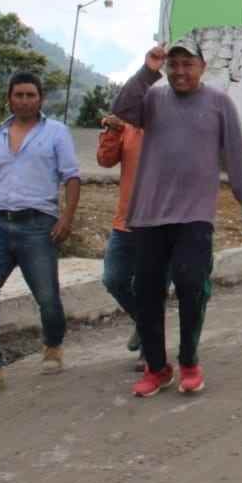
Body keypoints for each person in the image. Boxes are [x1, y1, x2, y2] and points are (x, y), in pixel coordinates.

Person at [111, 39, 242, 398]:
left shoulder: (218, 104)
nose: (179, 71)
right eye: (173, 64)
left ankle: (189, 361)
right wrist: (148, 70)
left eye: (188, 64)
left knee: (191, 283)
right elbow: (121, 108)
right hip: (149, 214)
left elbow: (237, 156)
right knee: (146, 292)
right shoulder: (152, 99)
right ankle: (156, 367)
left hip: (195, 214)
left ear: (202, 67)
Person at [0, 72, 80, 397]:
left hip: (38, 225)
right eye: (19, 95)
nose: (24, 100)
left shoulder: (56, 132)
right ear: (9, 98)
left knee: (48, 300)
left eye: (30, 95)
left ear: (40, 99)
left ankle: (52, 345)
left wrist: (66, 217)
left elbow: (71, 177)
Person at [97, 112, 146, 361]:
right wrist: (113, 131)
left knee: (150, 287)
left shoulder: (170, 126)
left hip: (160, 224)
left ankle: (150, 351)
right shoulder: (126, 127)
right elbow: (104, 160)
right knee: (113, 279)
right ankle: (145, 323)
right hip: (125, 223)